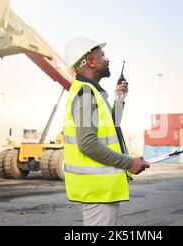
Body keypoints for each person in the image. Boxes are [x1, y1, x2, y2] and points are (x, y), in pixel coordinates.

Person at [63, 37, 150, 226]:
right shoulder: (86, 94)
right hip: (98, 189)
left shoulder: (92, 92)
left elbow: (112, 124)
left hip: (100, 189)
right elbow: (88, 144)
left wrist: (119, 99)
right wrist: (129, 163)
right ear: (90, 62)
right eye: (102, 55)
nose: (107, 59)